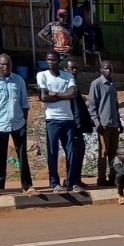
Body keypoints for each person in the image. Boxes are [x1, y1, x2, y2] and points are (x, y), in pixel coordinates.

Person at [37, 51, 79, 194]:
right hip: (52, 119)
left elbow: (73, 95)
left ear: (59, 61)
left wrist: (55, 94)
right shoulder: (42, 75)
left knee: (71, 151)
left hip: (68, 119)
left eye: (53, 60)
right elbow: (43, 97)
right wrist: (63, 96)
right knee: (52, 152)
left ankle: (71, 182)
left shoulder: (68, 75)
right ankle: (55, 183)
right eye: (48, 59)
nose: (51, 62)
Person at [0, 54, 35, 194]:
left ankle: (27, 186)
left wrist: (24, 123)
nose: (5, 67)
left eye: (8, 64)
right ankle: (0, 187)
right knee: (0, 157)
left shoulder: (19, 80)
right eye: (2, 64)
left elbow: (24, 104)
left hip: (18, 123)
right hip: (0, 124)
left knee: (22, 156)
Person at [88, 61, 123, 187]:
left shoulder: (113, 84)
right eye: (105, 68)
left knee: (114, 153)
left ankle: (113, 176)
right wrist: (97, 123)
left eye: (110, 68)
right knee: (103, 152)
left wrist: (119, 122)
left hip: (114, 124)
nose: (108, 71)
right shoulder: (96, 84)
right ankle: (101, 178)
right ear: (101, 70)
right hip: (103, 125)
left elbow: (115, 105)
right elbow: (92, 106)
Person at [64, 59, 93, 190]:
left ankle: (77, 179)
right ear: (66, 69)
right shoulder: (66, 86)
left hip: (79, 127)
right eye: (72, 68)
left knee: (80, 152)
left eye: (76, 68)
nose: (74, 71)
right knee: (73, 153)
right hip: (72, 126)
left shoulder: (74, 84)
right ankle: (71, 181)